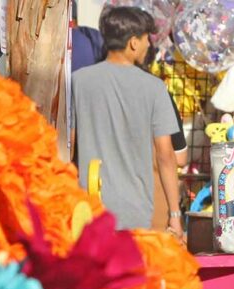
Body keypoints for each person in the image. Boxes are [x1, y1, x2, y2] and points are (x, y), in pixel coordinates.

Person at [72, 6, 182, 236]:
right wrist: (175, 215)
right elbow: (166, 155)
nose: (148, 46)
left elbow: (68, 144)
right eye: (145, 40)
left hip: (88, 208)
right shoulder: (154, 88)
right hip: (136, 211)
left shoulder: (78, 81)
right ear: (133, 42)